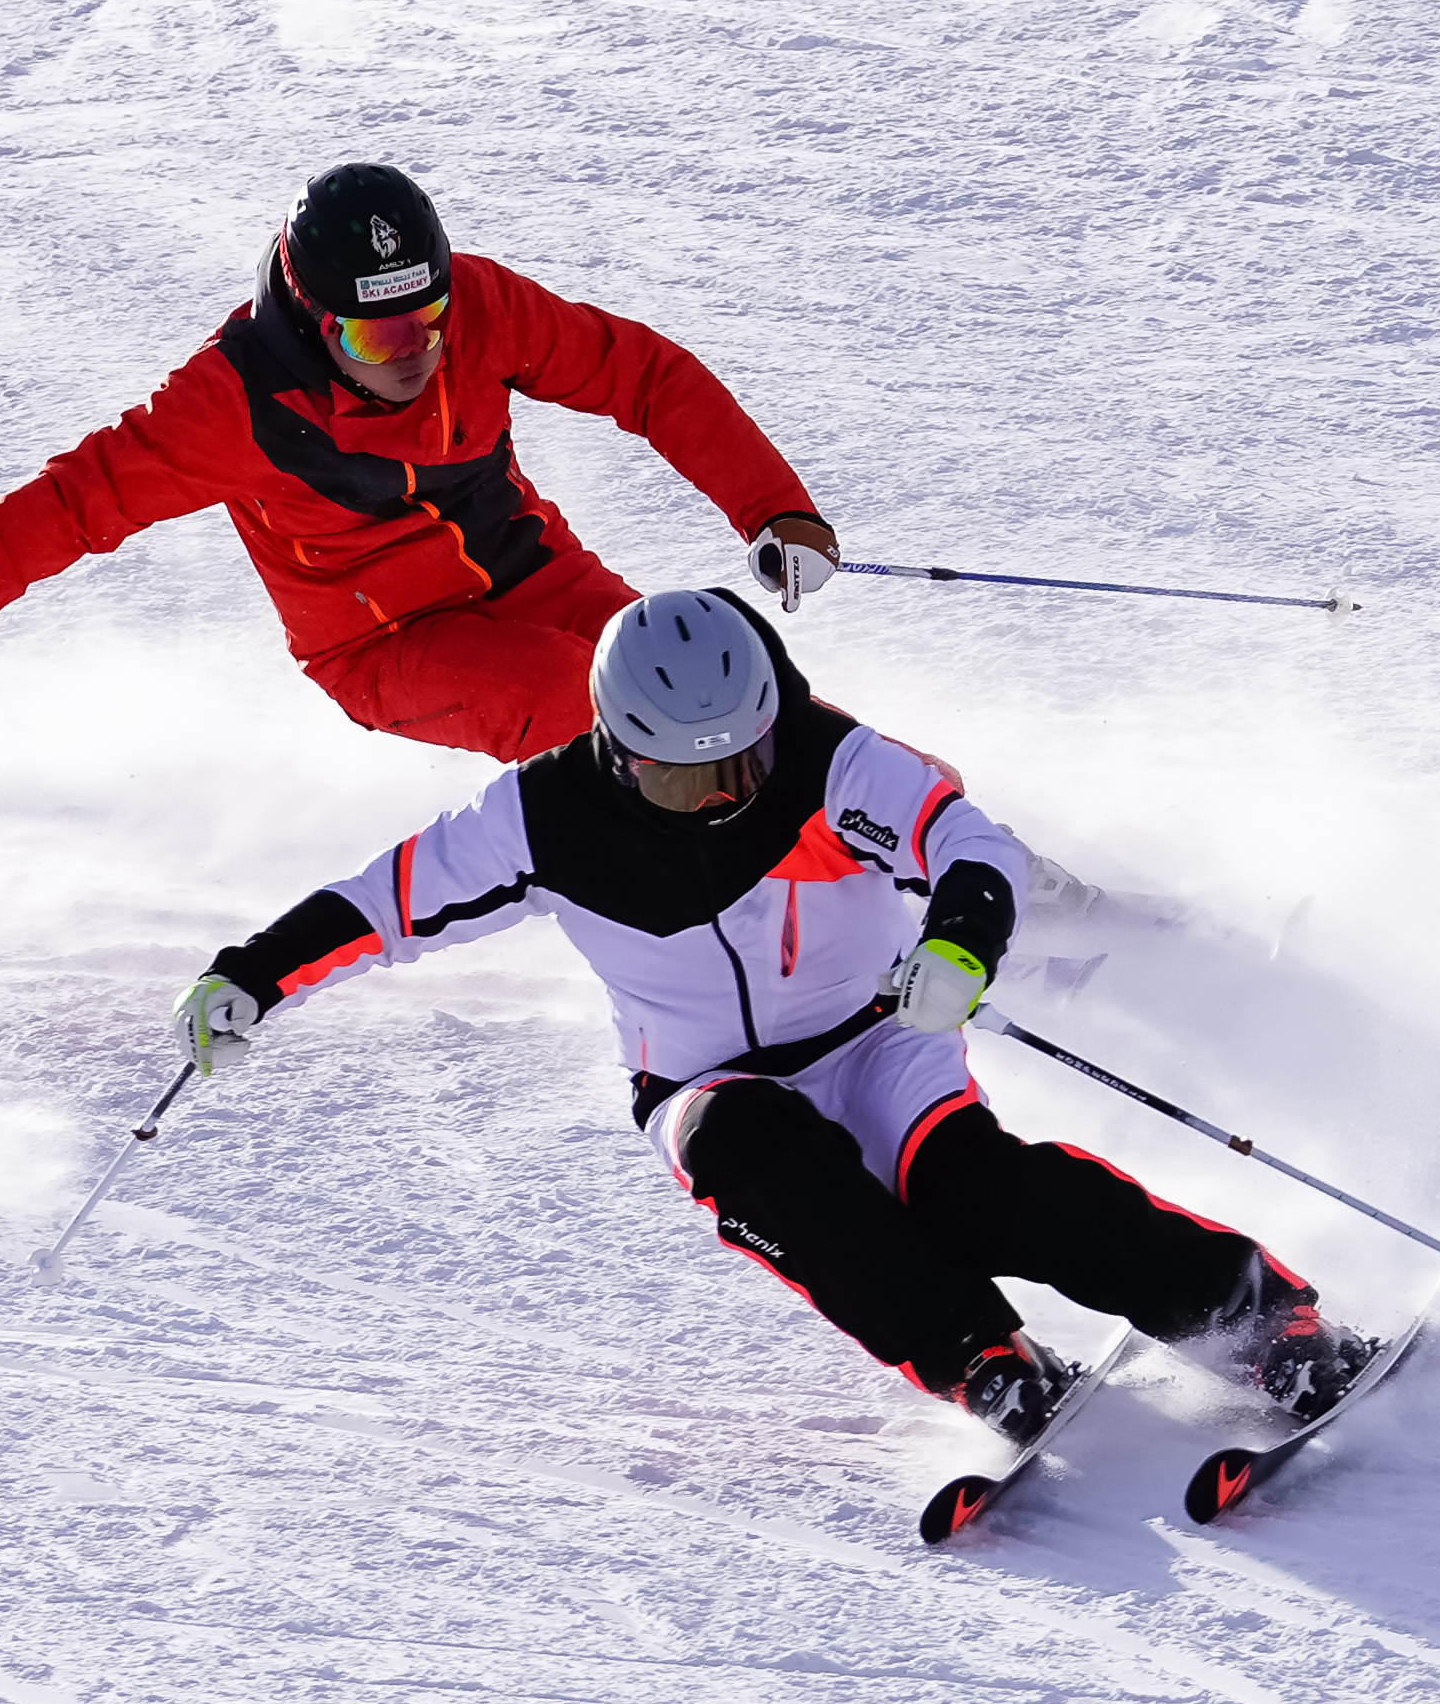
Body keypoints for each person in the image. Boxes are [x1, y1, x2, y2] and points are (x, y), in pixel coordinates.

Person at [163, 588, 1376, 1441]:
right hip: (702, 1082)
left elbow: (966, 840)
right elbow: (380, 903)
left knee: (974, 1188)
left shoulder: (826, 759)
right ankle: (980, 1360)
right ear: (618, 748)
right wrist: (250, 974)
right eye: (682, 773)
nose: (715, 794)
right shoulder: (539, 819)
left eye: (735, 763)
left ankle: (1263, 1323)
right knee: (775, 1177)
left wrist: (958, 940)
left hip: (876, 1034)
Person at [0, 162, 844, 762]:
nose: (413, 350)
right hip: (386, 645)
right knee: (583, 704)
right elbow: (72, 506)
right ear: (314, 323)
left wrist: (772, 510)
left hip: (533, 571)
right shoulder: (227, 404)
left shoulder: (483, 310)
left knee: (726, 679)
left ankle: (935, 841)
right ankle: (766, 917)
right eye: (376, 339)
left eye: (429, 320)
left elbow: (643, 376)